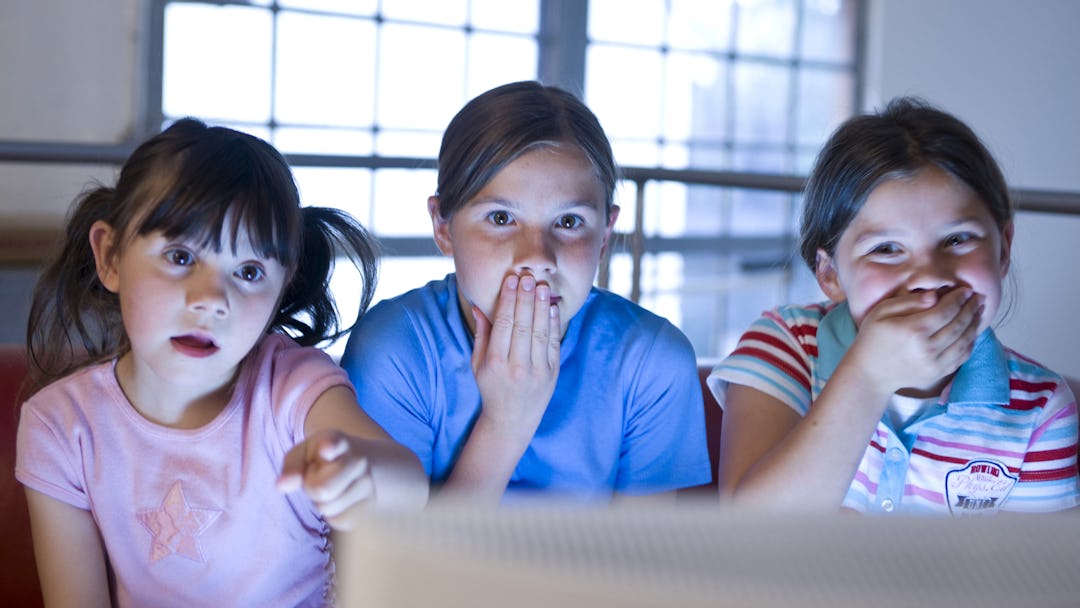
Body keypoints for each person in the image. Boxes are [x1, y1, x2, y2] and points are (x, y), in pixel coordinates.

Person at [16, 118, 428, 607]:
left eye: (249, 272)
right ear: (110, 257)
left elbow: (407, 484)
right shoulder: (60, 426)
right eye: (180, 257)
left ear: (283, 286)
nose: (212, 299)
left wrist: (360, 472)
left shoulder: (293, 385)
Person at [340, 81, 711, 505]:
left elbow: (644, 547)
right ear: (443, 226)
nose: (537, 257)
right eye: (501, 218)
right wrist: (507, 422)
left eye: (569, 222)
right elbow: (392, 547)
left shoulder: (653, 360)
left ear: (605, 235)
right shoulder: (394, 349)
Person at [709, 97, 1079, 515]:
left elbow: (1033, 559)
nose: (928, 274)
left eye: (957, 239)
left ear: (1003, 249)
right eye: (886, 249)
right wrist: (868, 376)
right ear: (830, 275)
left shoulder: (1041, 409)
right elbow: (752, 534)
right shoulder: (787, 346)